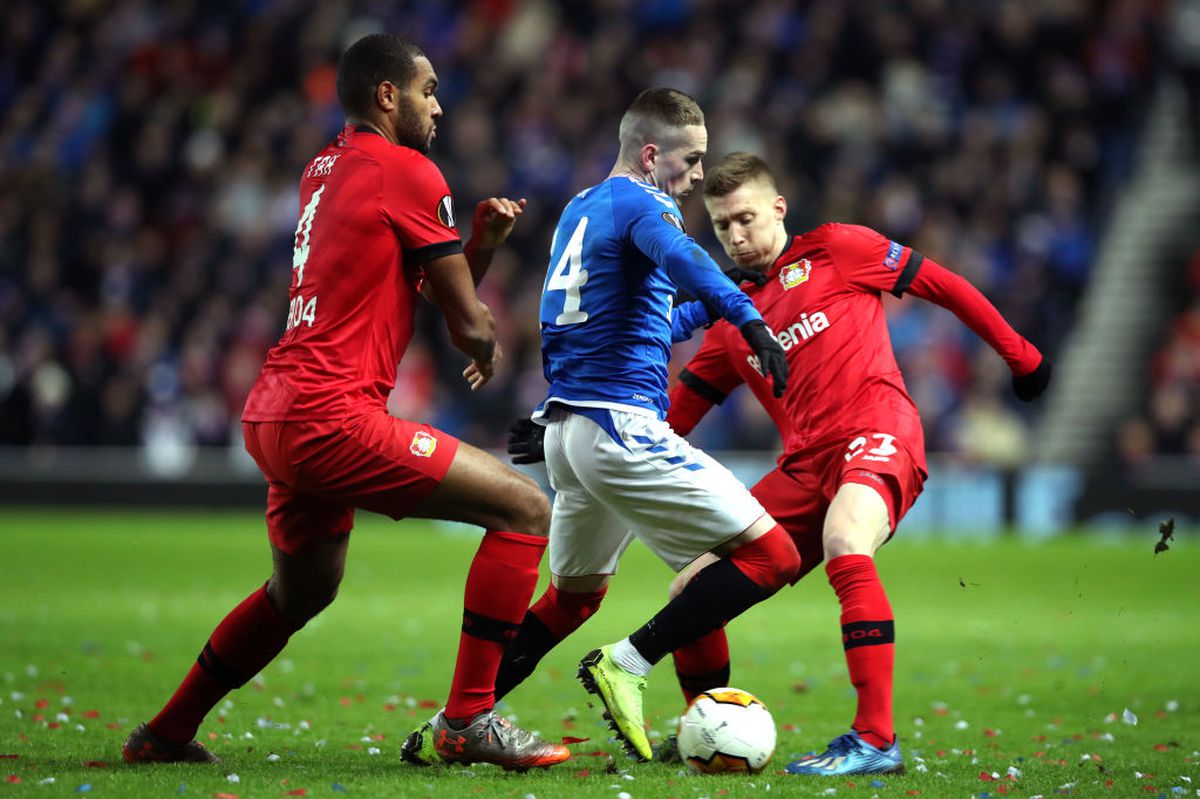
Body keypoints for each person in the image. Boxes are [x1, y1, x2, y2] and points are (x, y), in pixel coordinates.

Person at [459, 151, 1052, 775]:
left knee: (847, 540)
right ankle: (702, 724)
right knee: (694, 581)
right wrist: (573, 418)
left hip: (877, 433)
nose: (736, 237)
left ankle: (875, 739)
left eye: (745, 219)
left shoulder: (841, 249)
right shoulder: (730, 322)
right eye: (721, 227)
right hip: (802, 466)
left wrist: (1022, 357)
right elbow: (670, 414)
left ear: (778, 209)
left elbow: (945, 285)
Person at [122, 34, 570, 771]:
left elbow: (420, 286)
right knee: (526, 508)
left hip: (276, 406)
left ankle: (165, 732)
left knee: (302, 590)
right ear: (386, 95)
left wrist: (474, 245)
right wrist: (488, 339)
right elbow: (467, 324)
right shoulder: (409, 170)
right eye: (427, 90)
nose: (439, 105)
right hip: (331, 412)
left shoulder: (325, 169)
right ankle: (469, 719)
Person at [400, 88, 800, 767]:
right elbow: (684, 261)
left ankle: (454, 721)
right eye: (691, 160)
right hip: (620, 428)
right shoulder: (646, 204)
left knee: (573, 597)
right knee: (774, 556)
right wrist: (745, 315)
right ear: (651, 155)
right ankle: (629, 661)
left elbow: (622, 327)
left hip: (573, 430)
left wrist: (704, 314)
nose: (698, 176)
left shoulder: (579, 211)